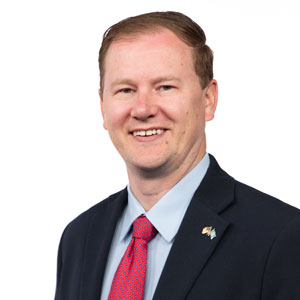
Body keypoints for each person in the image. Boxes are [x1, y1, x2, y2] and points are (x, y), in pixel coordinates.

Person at [54, 11, 300, 300]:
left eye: (165, 87)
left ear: (208, 100)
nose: (143, 109)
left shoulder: (279, 237)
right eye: (125, 90)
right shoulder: (80, 237)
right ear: (102, 107)